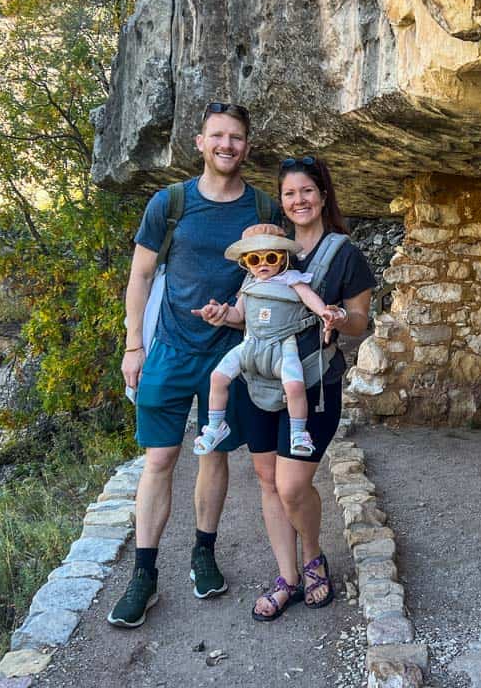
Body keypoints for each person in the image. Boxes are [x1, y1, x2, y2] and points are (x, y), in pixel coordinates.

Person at [107, 102, 280, 628]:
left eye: (237, 137)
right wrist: (133, 346)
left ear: (247, 146)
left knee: (213, 456)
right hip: (171, 352)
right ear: (201, 143)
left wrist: (238, 315)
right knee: (159, 460)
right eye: (218, 136)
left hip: (229, 357)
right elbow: (140, 276)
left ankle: (203, 553)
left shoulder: (263, 209)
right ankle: (144, 575)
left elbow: (269, 282)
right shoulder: (171, 203)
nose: (227, 145)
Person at [195, 155, 374, 621]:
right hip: (258, 382)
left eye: (307, 191)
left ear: (323, 196)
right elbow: (245, 310)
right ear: (283, 200)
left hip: (311, 384)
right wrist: (223, 314)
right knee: (266, 482)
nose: (299, 200)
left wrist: (337, 316)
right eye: (290, 193)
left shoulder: (343, 254)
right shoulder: (268, 246)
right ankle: (287, 577)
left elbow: (360, 322)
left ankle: (313, 556)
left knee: (293, 486)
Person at [193, 223, 341, 458]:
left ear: (282, 258)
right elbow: (238, 315)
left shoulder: (291, 278)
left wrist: (325, 313)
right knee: (218, 377)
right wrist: (216, 312)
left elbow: (310, 298)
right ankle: (215, 425)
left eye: (270, 257)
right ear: (246, 262)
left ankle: (298, 432)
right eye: (254, 259)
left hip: (283, 345)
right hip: (251, 344)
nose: (262, 264)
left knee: (294, 385)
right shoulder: (249, 284)